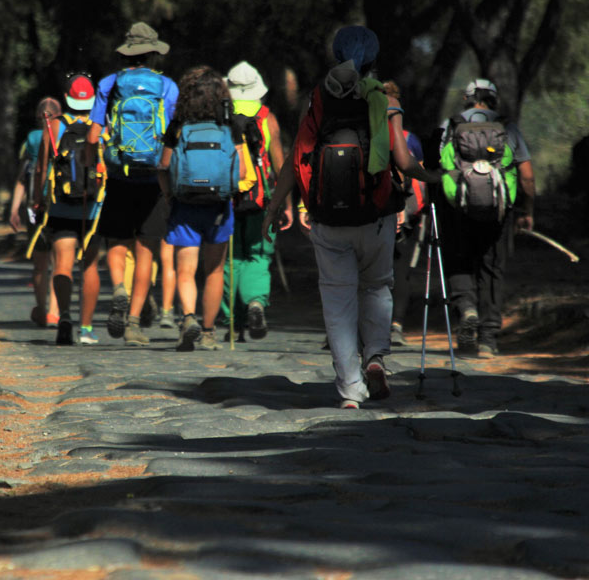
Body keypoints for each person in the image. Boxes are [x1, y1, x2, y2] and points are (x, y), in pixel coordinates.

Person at [263, 26, 441, 409]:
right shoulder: (384, 99)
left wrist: (275, 206)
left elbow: (296, 159)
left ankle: (349, 389)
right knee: (377, 287)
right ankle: (375, 356)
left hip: (327, 217)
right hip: (376, 215)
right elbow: (403, 160)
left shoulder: (317, 99)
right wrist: (435, 176)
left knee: (338, 298)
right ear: (374, 59)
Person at [84, 22, 179, 347]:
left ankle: (119, 290)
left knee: (116, 242)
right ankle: (134, 324)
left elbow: (94, 135)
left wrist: (89, 163)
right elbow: (172, 135)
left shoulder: (110, 84)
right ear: (153, 54)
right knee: (145, 253)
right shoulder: (168, 86)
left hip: (118, 176)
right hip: (153, 179)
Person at [158, 65, 257, 351]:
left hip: (184, 205)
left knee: (185, 270)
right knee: (214, 271)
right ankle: (210, 331)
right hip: (218, 207)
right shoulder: (231, 127)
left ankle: (188, 319)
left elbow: (164, 166)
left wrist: (168, 197)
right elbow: (240, 172)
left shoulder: (177, 126)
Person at [436, 78, 535, 358]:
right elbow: (527, 177)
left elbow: (433, 166)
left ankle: (467, 309)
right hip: (498, 211)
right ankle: (488, 338)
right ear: (493, 99)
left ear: (467, 99)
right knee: (492, 269)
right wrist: (526, 211)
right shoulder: (508, 128)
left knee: (459, 262)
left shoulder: (451, 125)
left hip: (458, 209)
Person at [220, 61, 293, 341]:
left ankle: (231, 321)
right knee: (258, 255)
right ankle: (255, 302)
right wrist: (285, 202)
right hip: (261, 197)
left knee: (230, 258)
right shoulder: (266, 117)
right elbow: (279, 163)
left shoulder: (221, 115)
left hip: (227, 196)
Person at [33, 74, 104, 346]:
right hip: (93, 209)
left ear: (67, 98)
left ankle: (64, 316)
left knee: (62, 263)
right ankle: (86, 328)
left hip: (61, 206)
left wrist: (38, 200)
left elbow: (42, 168)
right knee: (90, 266)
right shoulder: (102, 126)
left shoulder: (53, 126)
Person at [9, 97, 61, 329]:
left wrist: (14, 209)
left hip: (35, 208)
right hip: (63, 205)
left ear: (38, 116)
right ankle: (56, 312)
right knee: (60, 261)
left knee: (40, 262)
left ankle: (41, 309)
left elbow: (23, 178)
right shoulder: (68, 133)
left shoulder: (31, 139)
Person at [382, 80, 427, 347]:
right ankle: (396, 325)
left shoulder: (365, 133)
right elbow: (416, 174)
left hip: (372, 212)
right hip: (404, 213)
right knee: (400, 270)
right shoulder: (410, 139)